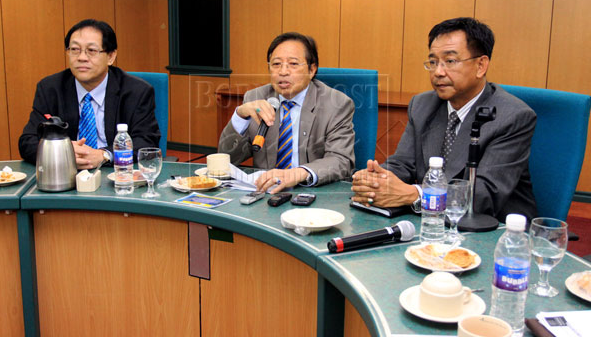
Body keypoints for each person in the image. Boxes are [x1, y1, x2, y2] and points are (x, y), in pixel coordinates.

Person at [352, 17, 537, 222]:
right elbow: (403, 163)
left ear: (481, 65)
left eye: (450, 61)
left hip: (495, 231)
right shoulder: (422, 105)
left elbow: (484, 195)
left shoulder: (512, 116)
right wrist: (377, 180)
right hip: (434, 224)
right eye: (433, 62)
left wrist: (415, 195)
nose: (438, 72)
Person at [218, 32, 355, 193]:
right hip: (265, 193)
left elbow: (341, 160)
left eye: (293, 64)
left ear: (312, 70)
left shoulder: (336, 104)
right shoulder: (255, 98)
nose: (283, 72)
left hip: (312, 192)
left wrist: (297, 174)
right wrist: (240, 116)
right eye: (276, 64)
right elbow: (227, 159)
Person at [19, 19, 160, 170]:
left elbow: (146, 142)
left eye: (91, 50)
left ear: (111, 56)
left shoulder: (136, 91)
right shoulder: (50, 89)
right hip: (65, 175)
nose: (81, 57)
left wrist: (104, 155)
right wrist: (61, 151)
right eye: (74, 49)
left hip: (115, 175)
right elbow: (28, 141)